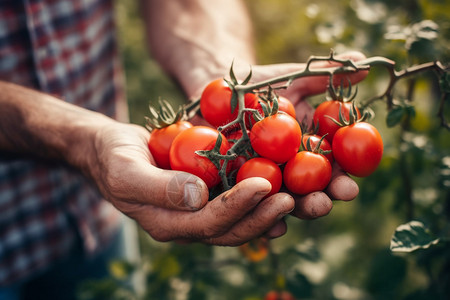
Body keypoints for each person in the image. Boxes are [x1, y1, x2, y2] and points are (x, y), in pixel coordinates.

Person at [0, 0, 366, 299]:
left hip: (96, 223)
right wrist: (81, 139)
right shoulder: (234, 143)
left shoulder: (231, 137)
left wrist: (217, 73)